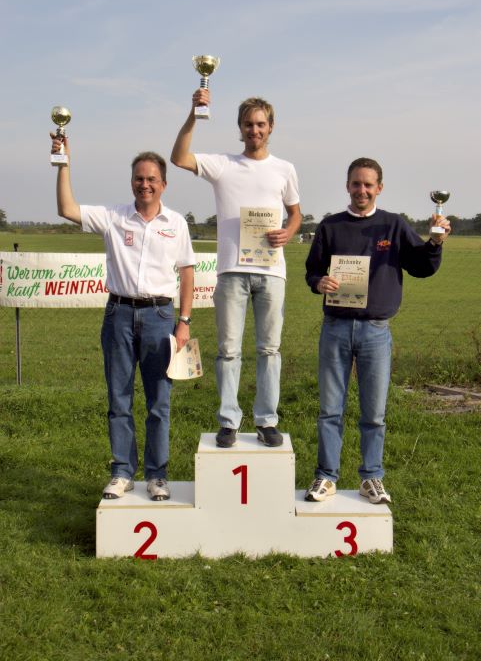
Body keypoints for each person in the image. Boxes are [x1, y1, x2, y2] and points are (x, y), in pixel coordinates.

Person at [51, 133, 195, 500]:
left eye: (152, 179)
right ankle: (122, 471)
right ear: (131, 182)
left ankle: (157, 475)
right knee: (119, 399)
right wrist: (63, 162)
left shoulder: (176, 223)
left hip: (160, 316)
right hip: (118, 314)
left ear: (164, 184)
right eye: (139, 178)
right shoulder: (113, 217)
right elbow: (66, 209)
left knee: (159, 402)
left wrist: (184, 321)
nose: (145, 184)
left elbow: (187, 272)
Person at [304, 157, 450, 503]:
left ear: (379, 188)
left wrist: (435, 244)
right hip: (335, 328)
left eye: (368, 185)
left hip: (375, 331)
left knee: (374, 413)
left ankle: (371, 477)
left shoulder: (393, 225)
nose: (362, 190)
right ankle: (326, 476)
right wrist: (319, 282)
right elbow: (312, 271)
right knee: (330, 410)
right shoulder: (330, 226)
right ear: (347, 186)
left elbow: (421, 266)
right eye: (356, 183)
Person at [171, 88, 301, 448]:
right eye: (248, 124)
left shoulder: (285, 169)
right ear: (240, 128)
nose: (254, 130)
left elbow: (295, 213)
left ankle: (266, 420)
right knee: (228, 350)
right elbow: (178, 157)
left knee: (269, 350)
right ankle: (229, 420)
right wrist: (194, 114)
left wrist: (288, 232)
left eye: (260, 124)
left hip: (272, 273)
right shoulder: (223, 165)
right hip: (231, 272)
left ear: (271, 127)